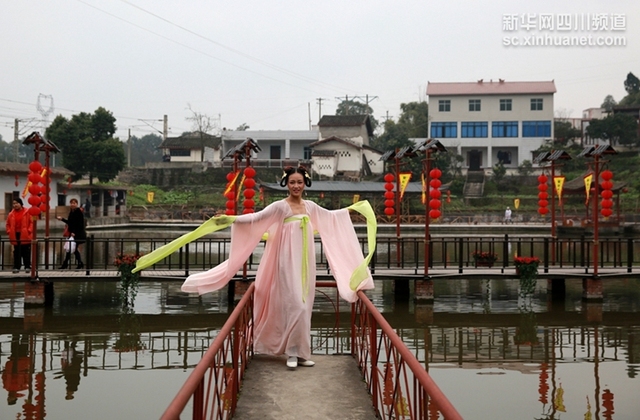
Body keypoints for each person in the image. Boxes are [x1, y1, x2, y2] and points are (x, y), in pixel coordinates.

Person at [133, 166, 377, 369]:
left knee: (305, 304)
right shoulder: (280, 207)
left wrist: (353, 211)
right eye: (292, 182)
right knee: (294, 303)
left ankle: (302, 352)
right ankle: (290, 352)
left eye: (299, 182)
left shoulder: (311, 207)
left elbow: (331, 217)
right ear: (286, 184)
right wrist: (229, 219)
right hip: (284, 260)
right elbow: (255, 219)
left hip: (305, 262)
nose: (296, 186)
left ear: (306, 184)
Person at [57, 198, 86, 269]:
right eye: (71, 203)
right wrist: (62, 219)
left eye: (74, 203)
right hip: (72, 233)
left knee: (71, 249)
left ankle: (68, 264)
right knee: (72, 249)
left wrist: (74, 232)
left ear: (77, 204)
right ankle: (79, 263)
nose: (72, 204)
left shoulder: (78, 212)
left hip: (77, 234)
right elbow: (70, 222)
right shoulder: (71, 212)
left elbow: (80, 224)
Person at [5, 198, 32, 273]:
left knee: (26, 251)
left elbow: (32, 222)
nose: (15, 205)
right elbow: (7, 224)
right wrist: (9, 231)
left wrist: (29, 230)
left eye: (16, 203)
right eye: (13, 203)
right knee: (16, 251)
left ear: (21, 203)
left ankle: (27, 266)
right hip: (15, 234)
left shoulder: (27, 212)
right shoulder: (11, 214)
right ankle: (17, 267)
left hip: (25, 234)